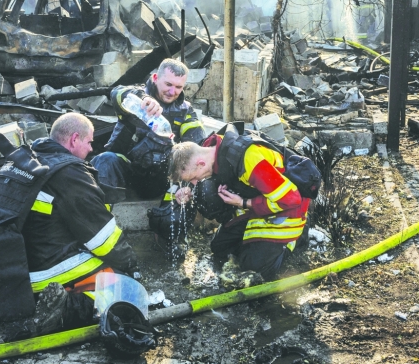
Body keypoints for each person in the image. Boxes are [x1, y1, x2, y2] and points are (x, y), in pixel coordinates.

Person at [23, 113, 140, 334]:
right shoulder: (70, 174)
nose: (90, 150)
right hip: (44, 274)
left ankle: (51, 299)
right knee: (121, 286)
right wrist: (131, 265)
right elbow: (105, 241)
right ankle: (65, 310)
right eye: (88, 142)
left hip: (15, 272)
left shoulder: (29, 160)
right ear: (74, 139)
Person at [169, 125, 310, 282]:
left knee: (254, 270)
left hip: (287, 208)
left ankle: (294, 240)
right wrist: (187, 189)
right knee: (219, 248)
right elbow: (195, 171)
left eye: (193, 178)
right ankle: (255, 244)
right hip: (260, 199)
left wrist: (244, 203)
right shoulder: (208, 148)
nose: (195, 183)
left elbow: (291, 198)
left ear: (201, 163)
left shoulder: (249, 160)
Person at [92, 58, 205, 203]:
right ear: (155, 78)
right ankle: (101, 219)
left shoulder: (186, 111)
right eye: (168, 84)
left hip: (161, 177)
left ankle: (166, 218)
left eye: (178, 87)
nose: (172, 91)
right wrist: (143, 99)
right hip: (128, 171)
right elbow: (116, 93)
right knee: (106, 159)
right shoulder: (136, 97)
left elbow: (197, 146)